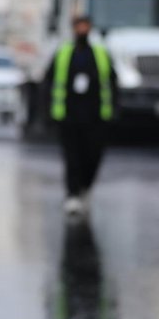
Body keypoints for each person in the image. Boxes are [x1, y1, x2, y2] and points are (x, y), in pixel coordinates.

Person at [45, 15, 119, 216]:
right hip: (69, 117)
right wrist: (49, 113)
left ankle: (85, 186)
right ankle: (72, 194)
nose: (82, 30)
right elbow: (48, 82)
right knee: (72, 157)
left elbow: (113, 82)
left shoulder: (101, 54)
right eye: (79, 26)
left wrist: (114, 111)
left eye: (86, 26)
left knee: (92, 156)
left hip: (96, 117)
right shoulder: (63, 53)